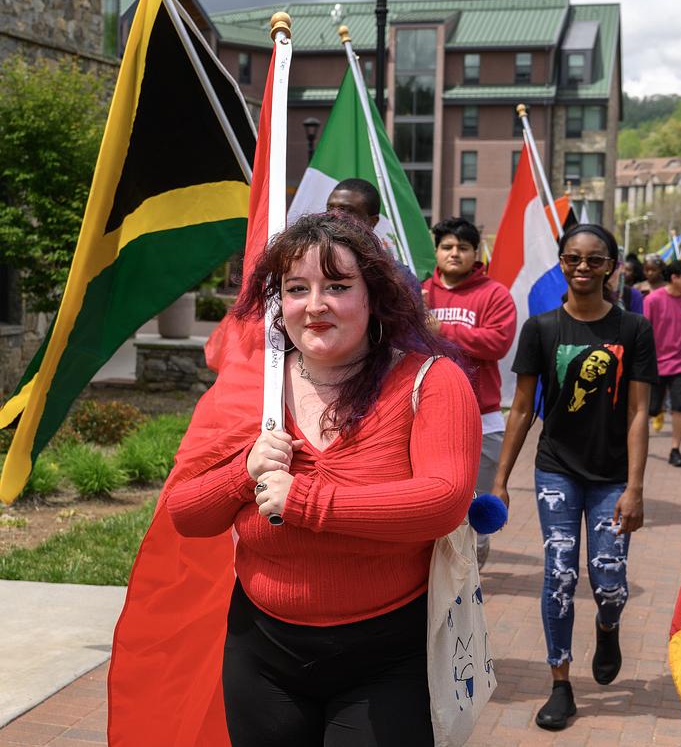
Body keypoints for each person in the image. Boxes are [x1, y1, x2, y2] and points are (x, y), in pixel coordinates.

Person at [165, 212, 481, 747]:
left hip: (387, 657)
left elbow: (442, 501)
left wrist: (305, 499)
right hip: (261, 654)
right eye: (296, 288)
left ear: (373, 296)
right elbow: (184, 513)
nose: (315, 305)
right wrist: (244, 474)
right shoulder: (249, 393)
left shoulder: (432, 382)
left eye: (337, 286)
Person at [492, 223, 657, 731]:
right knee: (560, 573)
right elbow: (522, 408)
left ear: (611, 265)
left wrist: (634, 488)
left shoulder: (632, 329)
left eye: (593, 259)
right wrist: (499, 481)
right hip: (556, 470)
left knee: (609, 583)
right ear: (561, 264)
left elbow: (637, 411)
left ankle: (608, 627)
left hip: (611, 478)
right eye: (572, 259)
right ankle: (560, 682)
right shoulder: (541, 328)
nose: (582, 268)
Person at [423, 216, 517, 568]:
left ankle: (472, 578)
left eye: (463, 247)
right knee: (437, 504)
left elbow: (497, 343)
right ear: (436, 251)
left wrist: (442, 329)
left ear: (476, 252)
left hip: (483, 417)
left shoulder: (494, 294)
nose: (454, 253)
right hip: (430, 417)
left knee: (475, 508)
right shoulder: (420, 292)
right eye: (447, 246)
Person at [642, 258, 681, 467]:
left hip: (680, 364)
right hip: (655, 364)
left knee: (679, 406)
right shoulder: (652, 300)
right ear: (674, 278)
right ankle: (635, 445)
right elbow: (644, 332)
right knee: (651, 410)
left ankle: (675, 449)